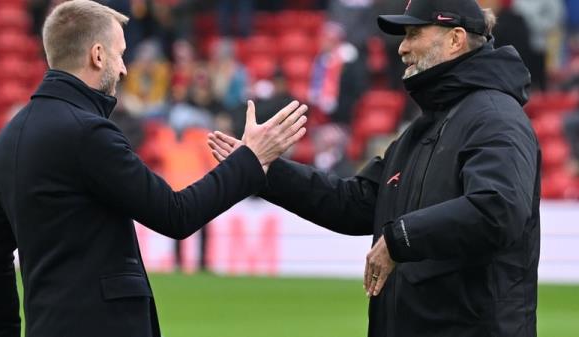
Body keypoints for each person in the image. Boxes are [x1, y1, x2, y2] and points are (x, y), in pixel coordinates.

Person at [208, 0, 541, 336]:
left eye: (413, 34)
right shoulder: (423, 128)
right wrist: (263, 168)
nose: (402, 48)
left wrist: (401, 238)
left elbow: (498, 209)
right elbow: (357, 202)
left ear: (455, 39)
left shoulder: (495, 117)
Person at [0, 1, 308, 337]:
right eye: (120, 53)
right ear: (97, 55)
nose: (124, 69)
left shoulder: (8, 138)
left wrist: (0, 330)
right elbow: (176, 214)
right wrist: (251, 159)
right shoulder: (88, 134)